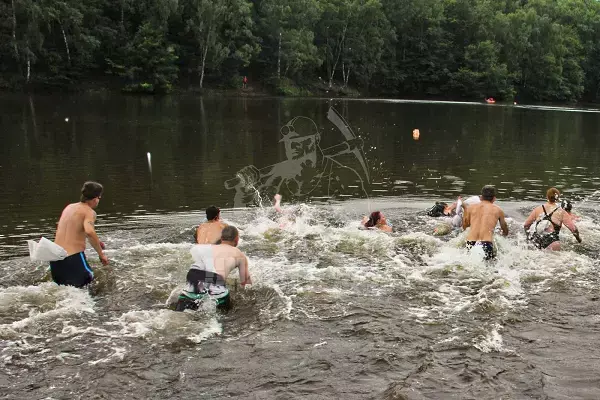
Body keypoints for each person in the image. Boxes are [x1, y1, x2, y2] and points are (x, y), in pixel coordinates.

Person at [176, 226, 251, 311]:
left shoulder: (203, 248)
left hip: (192, 281)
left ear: (221, 238)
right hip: (216, 288)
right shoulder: (239, 254)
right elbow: (245, 282)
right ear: (237, 239)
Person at [50, 181, 109, 288]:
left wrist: (97, 242)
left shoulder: (69, 207)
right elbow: (89, 231)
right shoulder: (89, 212)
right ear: (96, 198)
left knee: (64, 291)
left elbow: (72, 229)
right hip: (72, 258)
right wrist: (101, 255)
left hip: (54, 259)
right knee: (90, 285)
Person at [462, 185, 509, 260]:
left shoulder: (470, 208)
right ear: (494, 199)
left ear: (481, 197)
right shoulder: (498, 210)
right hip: (486, 243)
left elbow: (465, 226)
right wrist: (503, 237)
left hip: (470, 241)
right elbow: (504, 229)